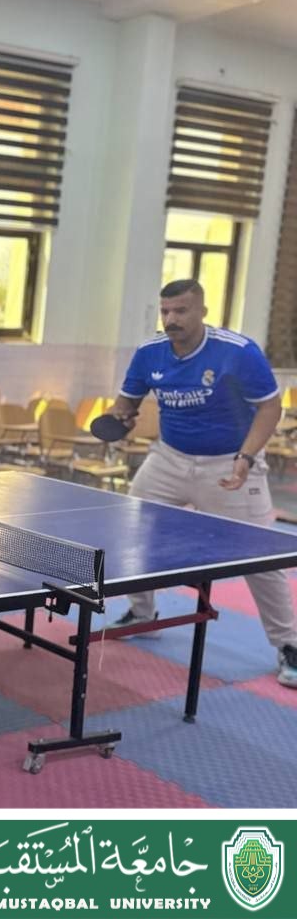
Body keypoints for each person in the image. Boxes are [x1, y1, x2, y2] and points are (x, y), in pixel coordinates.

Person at [108, 278, 296, 689]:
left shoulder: (237, 352)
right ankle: (143, 613)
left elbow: (269, 407)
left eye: (181, 311)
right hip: (169, 458)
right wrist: (119, 418)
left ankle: (289, 644)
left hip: (229, 462)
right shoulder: (149, 353)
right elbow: (126, 403)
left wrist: (246, 458)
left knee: (258, 553)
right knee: (133, 527)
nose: (172, 319)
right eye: (166, 311)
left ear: (202, 312)